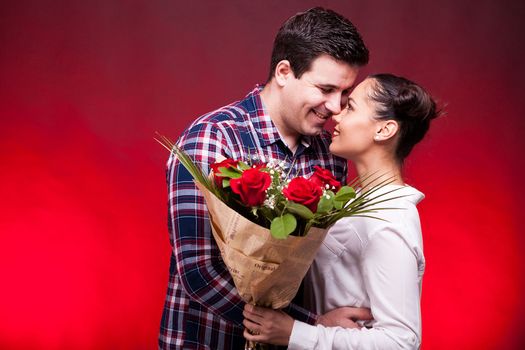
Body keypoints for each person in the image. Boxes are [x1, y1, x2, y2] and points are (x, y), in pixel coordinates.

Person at [159, 7, 370, 349]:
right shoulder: (213, 139)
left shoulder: (330, 156)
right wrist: (307, 324)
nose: (335, 107)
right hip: (208, 342)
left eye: (345, 93)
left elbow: (318, 263)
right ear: (284, 71)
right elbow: (198, 272)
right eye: (326, 89)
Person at [243, 73, 440, 349]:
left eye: (351, 107)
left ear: (384, 130)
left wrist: (295, 333)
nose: (336, 114)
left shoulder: (389, 220)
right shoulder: (355, 203)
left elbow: (400, 341)